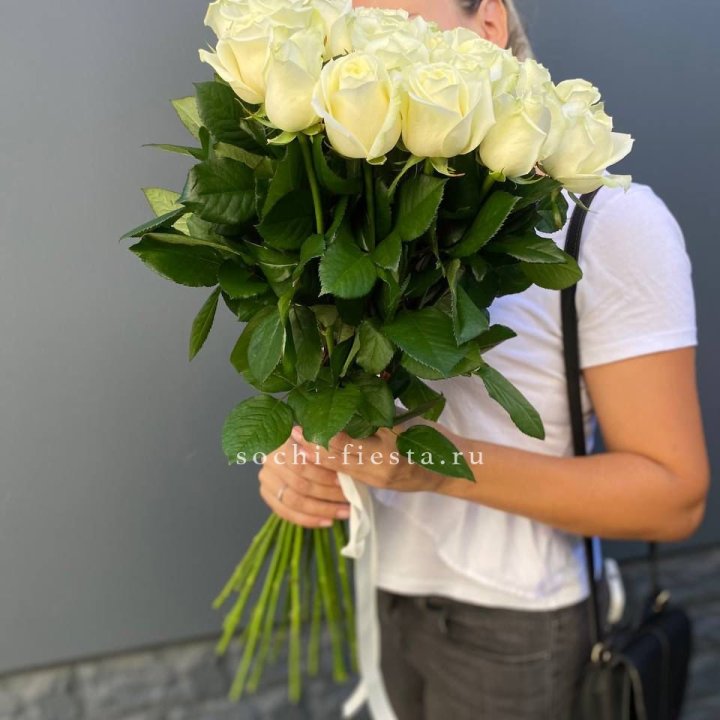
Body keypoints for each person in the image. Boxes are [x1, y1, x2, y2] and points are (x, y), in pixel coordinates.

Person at [257, 1, 711, 718]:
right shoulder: (364, 207)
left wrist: (438, 467)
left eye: (397, 13)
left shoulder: (609, 221)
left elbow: (673, 495)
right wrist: (304, 463)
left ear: (490, 23)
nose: (364, 45)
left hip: (518, 628)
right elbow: (351, 401)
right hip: (386, 590)